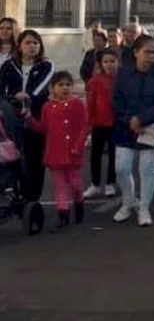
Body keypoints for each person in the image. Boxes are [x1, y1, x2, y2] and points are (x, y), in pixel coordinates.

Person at [112, 35, 154, 227]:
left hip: (151, 126)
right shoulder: (123, 74)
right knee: (121, 167)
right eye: (147, 52)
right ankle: (128, 202)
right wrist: (130, 119)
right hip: (126, 126)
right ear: (136, 52)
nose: (150, 57)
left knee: (147, 168)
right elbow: (117, 99)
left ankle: (144, 208)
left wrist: (143, 119)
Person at [27, 71, 89, 230]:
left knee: (75, 183)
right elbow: (43, 128)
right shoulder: (48, 107)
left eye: (68, 84)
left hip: (72, 152)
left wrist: (78, 145)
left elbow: (84, 127)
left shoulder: (77, 104)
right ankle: (63, 214)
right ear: (52, 88)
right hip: (55, 153)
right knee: (60, 185)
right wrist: (29, 119)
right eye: (60, 85)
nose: (65, 88)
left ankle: (79, 202)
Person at [0, 29, 55, 205]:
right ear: (20, 45)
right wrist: (12, 98)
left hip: (37, 118)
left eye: (35, 43)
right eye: (28, 42)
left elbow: (41, 88)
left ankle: (32, 197)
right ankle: (15, 191)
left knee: (34, 158)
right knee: (12, 156)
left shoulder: (47, 65)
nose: (32, 46)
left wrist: (28, 99)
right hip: (12, 117)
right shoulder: (9, 66)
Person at [84, 49, 119, 199]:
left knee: (114, 154)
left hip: (117, 123)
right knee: (95, 155)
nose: (109, 65)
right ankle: (95, 184)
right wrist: (89, 126)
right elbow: (90, 104)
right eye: (106, 62)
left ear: (118, 62)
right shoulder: (94, 82)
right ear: (100, 64)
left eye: (112, 61)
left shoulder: (122, 80)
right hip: (99, 123)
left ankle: (111, 183)